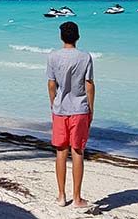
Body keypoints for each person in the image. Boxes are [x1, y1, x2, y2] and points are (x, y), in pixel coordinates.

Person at [46, 21, 95, 209]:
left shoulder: (53, 57)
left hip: (60, 110)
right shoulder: (85, 57)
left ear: (61, 37)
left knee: (60, 151)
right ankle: (77, 198)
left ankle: (60, 196)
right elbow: (89, 84)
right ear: (78, 36)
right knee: (77, 151)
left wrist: (53, 103)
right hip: (79, 109)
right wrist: (91, 108)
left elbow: (51, 84)